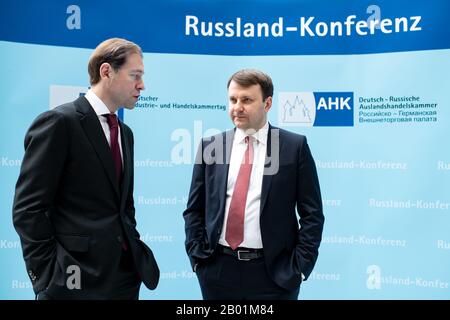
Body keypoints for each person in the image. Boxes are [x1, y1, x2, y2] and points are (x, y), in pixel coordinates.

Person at [12, 38, 159, 299]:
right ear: (106, 71)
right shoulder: (59, 122)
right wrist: (46, 276)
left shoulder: (125, 133)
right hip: (71, 281)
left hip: (123, 278)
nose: (142, 85)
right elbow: (28, 209)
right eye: (135, 75)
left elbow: (123, 206)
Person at [183, 69, 324, 300]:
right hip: (217, 273)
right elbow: (194, 210)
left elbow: (313, 214)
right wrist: (199, 260)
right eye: (233, 99)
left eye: (246, 100)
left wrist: (299, 269)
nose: (237, 107)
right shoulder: (210, 146)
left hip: (275, 276)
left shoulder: (293, 146)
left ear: (267, 103)